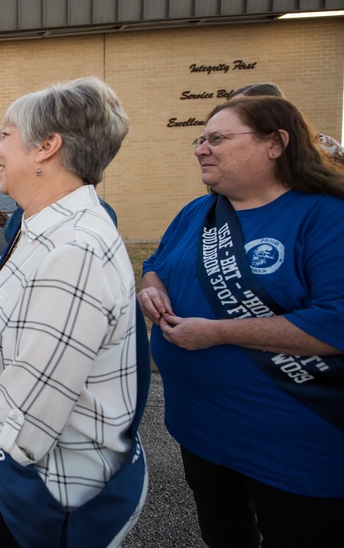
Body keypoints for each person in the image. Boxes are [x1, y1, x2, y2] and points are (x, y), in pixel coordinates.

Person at [0, 77, 147, 547]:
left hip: (56, 497)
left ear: (47, 147)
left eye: (5, 134)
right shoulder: (42, 227)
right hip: (20, 476)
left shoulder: (76, 251)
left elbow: (24, 421)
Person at [139, 95, 344, 547]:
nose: (200, 149)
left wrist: (215, 333)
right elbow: (154, 262)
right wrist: (151, 287)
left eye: (218, 139)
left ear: (275, 143)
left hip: (293, 445)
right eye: (201, 139)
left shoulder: (325, 215)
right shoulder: (198, 212)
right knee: (224, 531)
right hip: (203, 431)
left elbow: (336, 323)